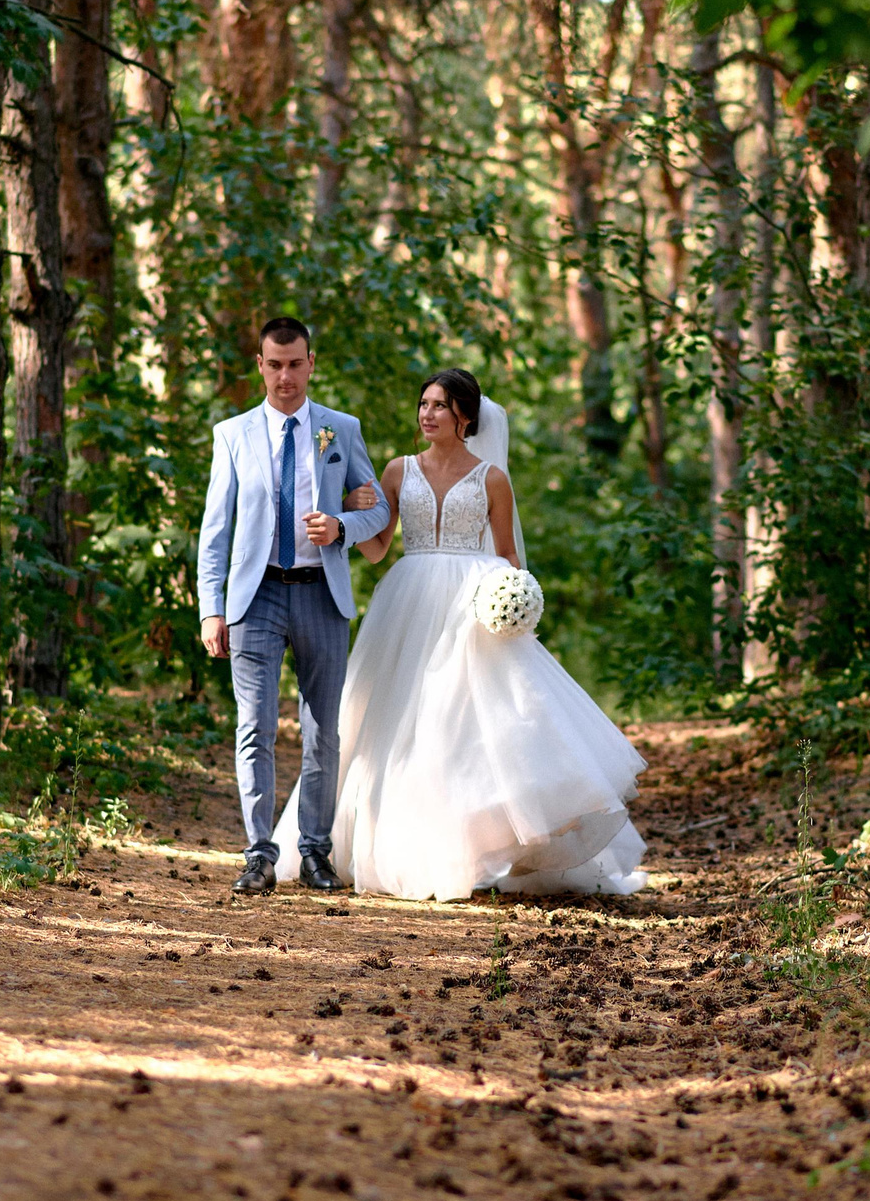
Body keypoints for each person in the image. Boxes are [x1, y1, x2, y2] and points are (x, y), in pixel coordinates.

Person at [276, 368, 647, 901]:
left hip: (474, 603)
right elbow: (380, 547)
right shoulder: (398, 471)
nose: (427, 414)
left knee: (469, 725)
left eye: (439, 406)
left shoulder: (493, 477)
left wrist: (515, 603)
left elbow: (508, 555)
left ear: (465, 417)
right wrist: (347, 517)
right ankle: (379, 843)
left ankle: (478, 847)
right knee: (394, 719)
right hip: (408, 598)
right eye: (423, 403)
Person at [195, 318, 392, 893]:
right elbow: (216, 532)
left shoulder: (340, 430)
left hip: (320, 596)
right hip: (254, 600)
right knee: (253, 727)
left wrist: (342, 525)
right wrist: (212, 609)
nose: (285, 376)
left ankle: (315, 852)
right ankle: (258, 854)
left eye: (295, 364)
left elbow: (378, 510)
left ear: (312, 363)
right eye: (274, 364)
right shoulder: (231, 434)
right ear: (260, 365)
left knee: (321, 731)